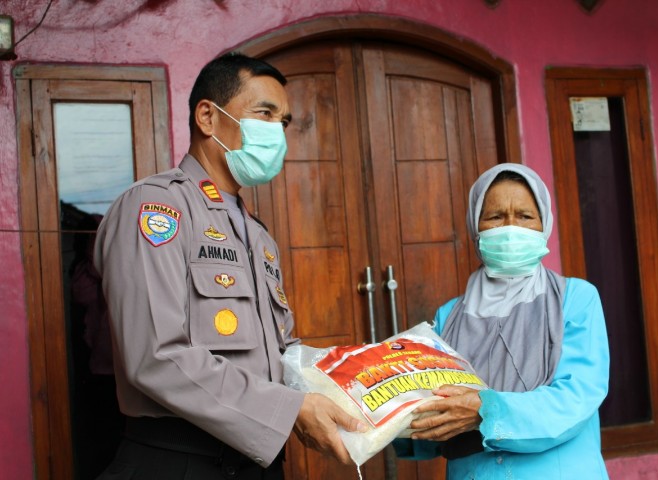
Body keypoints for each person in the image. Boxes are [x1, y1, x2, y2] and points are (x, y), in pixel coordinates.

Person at [94, 53, 366, 480]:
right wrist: (288, 408)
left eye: (285, 121)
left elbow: (277, 354)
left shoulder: (257, 235)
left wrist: (358, 381)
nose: (277, 131)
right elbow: (155, 357)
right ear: (207, 116)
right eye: (265, 114)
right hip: (178, 460)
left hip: (255, 461)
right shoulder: (157, 208)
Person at [393, 163, 610, 479]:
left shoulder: (575, 299)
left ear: (544, 223)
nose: (511, 228)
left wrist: (485, 412)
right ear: (475, 228)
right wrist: (385, 410)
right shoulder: (448, 318)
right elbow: (434, 414)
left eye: (524, 216)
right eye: (495, 217)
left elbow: (575, 399)